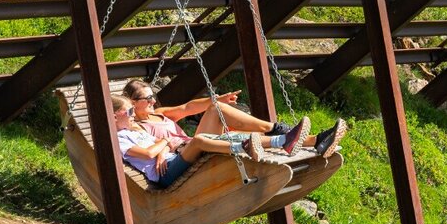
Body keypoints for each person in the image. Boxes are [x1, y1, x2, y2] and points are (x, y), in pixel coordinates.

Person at [121, 78, 346, 159]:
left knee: (245, 132)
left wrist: (216, 98)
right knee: (217, 111)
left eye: (152, 96)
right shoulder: (134, 127)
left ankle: (316, 141)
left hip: (196, 143)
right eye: (146, 98)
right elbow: (147, 151)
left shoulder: (158, 113)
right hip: (187, 153)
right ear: (132, 102)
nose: (152, 101)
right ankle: (281, 130)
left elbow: (187, 107)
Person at [113, 95, 265, 188]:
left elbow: (163, 143)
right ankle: (242, 147)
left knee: (226, 134)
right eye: (130, 111)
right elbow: (148, 153)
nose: (133, 115)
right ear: (114, 117)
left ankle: (276, 140)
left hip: (172, 159)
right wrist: (164, 142)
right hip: (165, 173)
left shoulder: (133, 132)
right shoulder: (119, 139)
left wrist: (163, 147)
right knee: (198, 141)